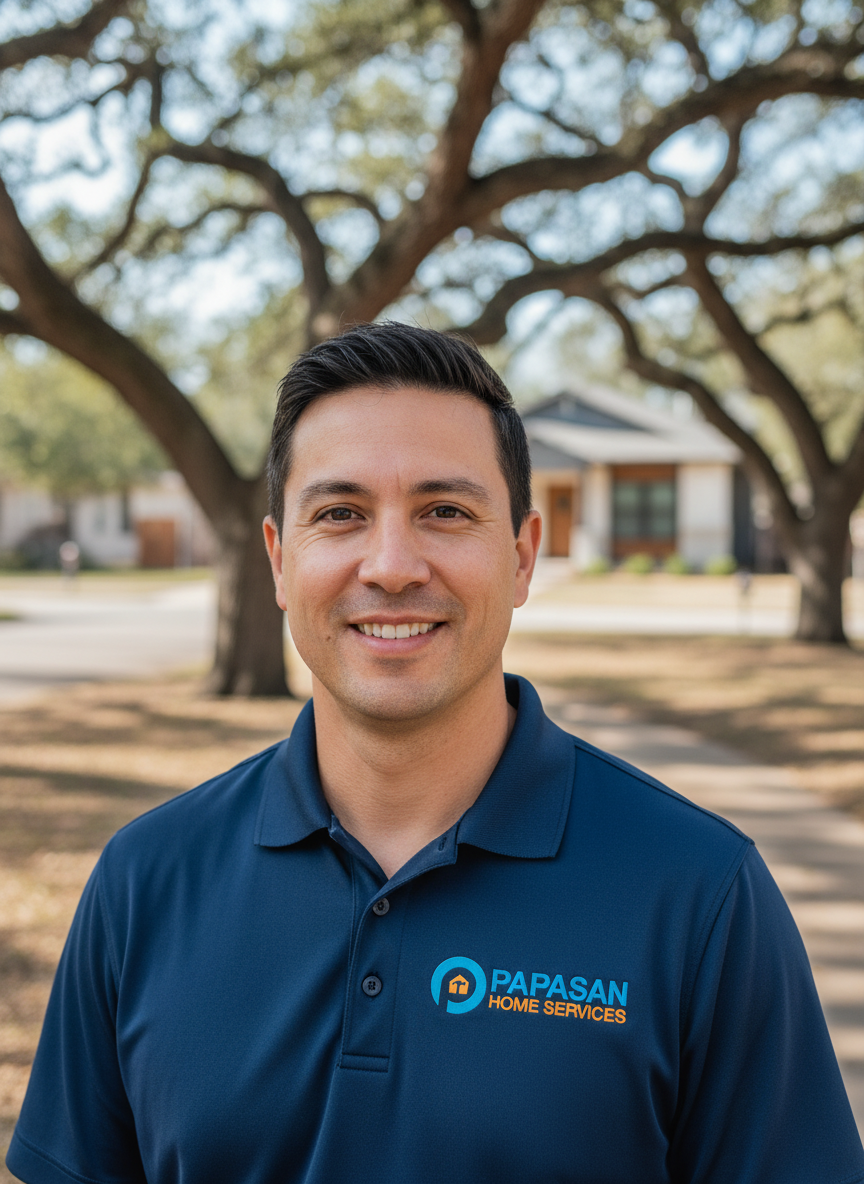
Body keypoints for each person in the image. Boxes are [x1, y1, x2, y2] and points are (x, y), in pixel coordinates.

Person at [7, 323, 863, 1184]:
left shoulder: (702, 895)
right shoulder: (144, 883)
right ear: (277, 560)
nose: (390, 565)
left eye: (444, 512)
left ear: (523, 558)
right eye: (340, 514)